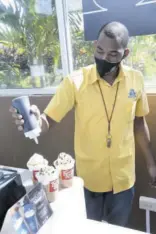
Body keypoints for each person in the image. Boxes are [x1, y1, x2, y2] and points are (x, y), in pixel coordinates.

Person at [10, 22, 156, 227]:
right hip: (89, 182)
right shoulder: (75, 82)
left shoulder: (136, 79)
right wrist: (33, 120)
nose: (104, 58)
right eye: (100, 50)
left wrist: (151, 164)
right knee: (86, 228)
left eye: (113, 54)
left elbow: (139, 124)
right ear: (95, 45)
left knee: (117, 229)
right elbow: (48, 120)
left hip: (124, 179)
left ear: (125, 53)